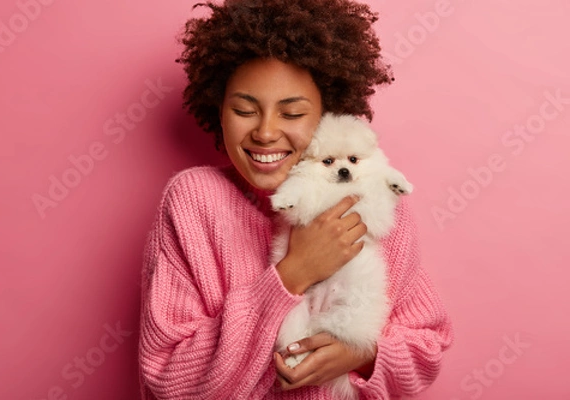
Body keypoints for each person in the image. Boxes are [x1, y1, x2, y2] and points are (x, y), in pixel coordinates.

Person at [138, 0, 454, 399]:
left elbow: (426, 346)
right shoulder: (193, 201)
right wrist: (293, 272)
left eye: (292, 114)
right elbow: (168, 375)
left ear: (328, 115)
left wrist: (364, 354)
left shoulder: (375, 198)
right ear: (218, 110)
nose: (266, 132)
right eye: (244, 109)